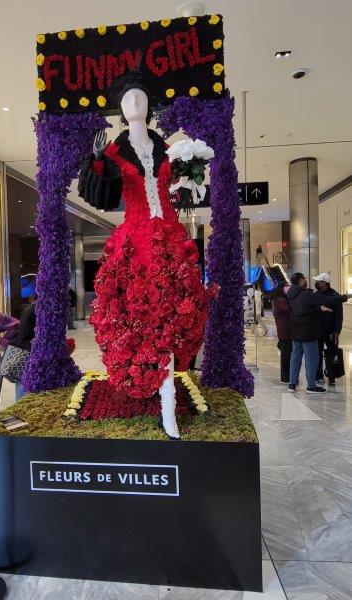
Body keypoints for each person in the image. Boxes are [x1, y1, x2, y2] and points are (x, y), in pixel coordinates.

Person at [78, 75, 218, 439]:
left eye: (140, 96)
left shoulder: (168, 146)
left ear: (149, 105)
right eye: (128, 99)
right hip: (135, 242)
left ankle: (168, 397)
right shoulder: (111, 151)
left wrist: (189, 176)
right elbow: (103, 197)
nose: (135, 103)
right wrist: (95, 159)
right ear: (121, 109)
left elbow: (185, 185)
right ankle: (152, 388)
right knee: (138, 319)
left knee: (174, 316)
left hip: (170, 237)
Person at [287, 273, 346, 393]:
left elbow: (303, 308)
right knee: (312, 360)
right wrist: (344, 297)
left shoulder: (292, 295)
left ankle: (292, 384)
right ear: (300, 280)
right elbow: (325, 300)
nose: (308, 281)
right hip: (308, 333)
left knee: (295, 358)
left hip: (296, 332)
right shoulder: (307, 294)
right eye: (305, 278)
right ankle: (311, 386)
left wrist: (319, 309)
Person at [314, 273, 343, 386]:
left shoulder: (335, 296)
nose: (316, 284)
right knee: (318, 354)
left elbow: (339, 316)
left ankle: (332, 377)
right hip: (318, 330)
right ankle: (319, 375)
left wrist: (337, 331)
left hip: (331, 331)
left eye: (319, 282)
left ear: (325, 283)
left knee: (332, 354)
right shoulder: (317, 294)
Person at [11, 298, 36, 400]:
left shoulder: (45, 310)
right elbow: (22, 339)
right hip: (24, 359)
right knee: (22, 394)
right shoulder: (31, 311)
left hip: (34, 360)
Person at [272, 283, 291, 383]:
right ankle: (286, 377)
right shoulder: (281, 300)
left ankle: (287, 376)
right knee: (286, 355)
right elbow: (290, 310)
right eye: (287, 286)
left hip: (285, 331)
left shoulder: (280, 299)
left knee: (287, 354)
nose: (289, 288)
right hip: (285, 331)